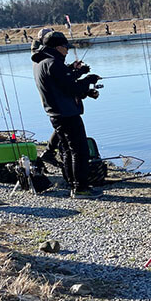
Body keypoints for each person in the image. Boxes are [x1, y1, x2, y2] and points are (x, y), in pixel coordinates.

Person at [31, 32, 101, 198]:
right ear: (57, 47)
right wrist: (89, 80)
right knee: (80, 150)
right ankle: (81, 188)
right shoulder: (53, 63)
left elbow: (62, 82)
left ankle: (73, 183)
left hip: (56, 114)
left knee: (68, 150)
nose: (67, 51)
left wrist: (77, 74)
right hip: (67, 114)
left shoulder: (41, 62)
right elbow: (72, 88)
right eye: (65, 47)